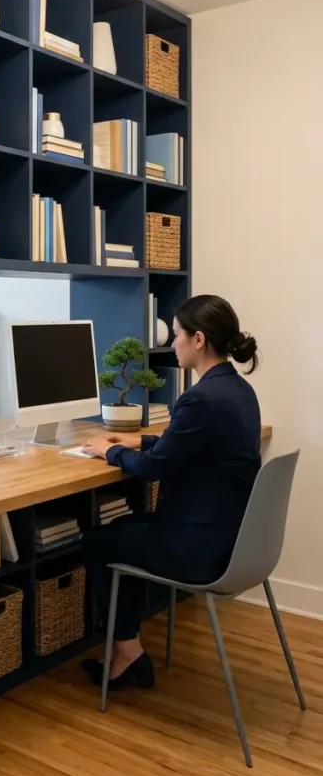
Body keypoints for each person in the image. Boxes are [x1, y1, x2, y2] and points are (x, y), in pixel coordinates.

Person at [80, 294, 261, 692]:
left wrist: (106, 450)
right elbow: (187, 444)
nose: (172, 342)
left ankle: (128, 654)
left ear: (198, 339)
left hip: (196, 549)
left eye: (177, 334)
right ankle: (125, 650)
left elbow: (153, 470)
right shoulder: (238, 391)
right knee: (123, 532)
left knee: (97, 542)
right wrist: (135, 440)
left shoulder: (199, 398)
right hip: (229, 539)